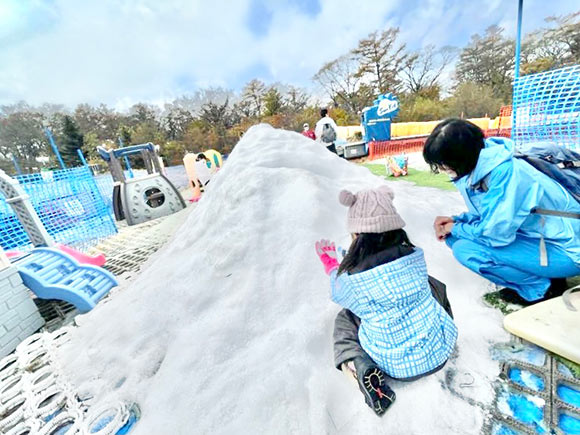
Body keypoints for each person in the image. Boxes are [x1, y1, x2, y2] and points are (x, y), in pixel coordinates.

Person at [314, 186, 457, 416]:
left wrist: (333, 267)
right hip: (441, 351)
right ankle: (439, 327)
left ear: (357, 237)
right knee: (433, 285)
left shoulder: (353, 280)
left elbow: (340, 292)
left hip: (396, 366)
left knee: (345, 319)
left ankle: (358, 366)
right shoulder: (414, 256)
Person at [423, 118, 580, 305]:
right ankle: (548, 277)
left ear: (460, 157)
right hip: (546, 237)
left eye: (444, 163)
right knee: (455, 237)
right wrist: (457, 221)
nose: (442, 168)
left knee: (465, 249)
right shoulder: (487, 163)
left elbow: (495, 234)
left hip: (569, 250)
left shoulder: (506, 173)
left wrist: (455, 227)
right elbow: (492, 215)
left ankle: (541, 289)